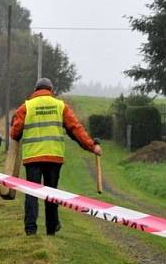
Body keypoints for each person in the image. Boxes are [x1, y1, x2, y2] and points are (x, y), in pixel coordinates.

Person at [10, 77, 102, 236]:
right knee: (51, 193)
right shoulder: (61, 106)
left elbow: (15, 132)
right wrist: (92, 146)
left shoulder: (26, 107)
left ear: (35, 90)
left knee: (32, 193)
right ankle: (51, 228)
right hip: (54, 157)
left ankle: (30, 229)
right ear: (51, 90)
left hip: (33, 158)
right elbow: (75, 129)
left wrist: (16, 133)